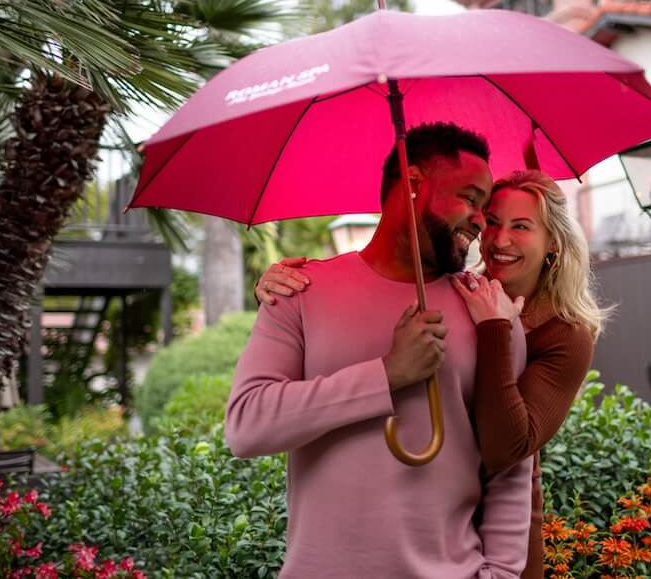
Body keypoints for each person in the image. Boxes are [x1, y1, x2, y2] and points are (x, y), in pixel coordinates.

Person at [257, 169, 608, 579]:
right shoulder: (454, 290)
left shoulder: (566, 335)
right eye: (492, 221)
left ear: (554, 244)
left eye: (521, 226)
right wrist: (286, 291)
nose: (500, 239)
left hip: (498, 541)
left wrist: (496, 331)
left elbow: (506, 446)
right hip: (426, 526)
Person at [226, 122, 533, 578]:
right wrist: (385, 375)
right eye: (470, 198)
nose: (480, 219)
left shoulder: (490, 314)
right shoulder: (300, 290)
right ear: (412, 184)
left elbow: (509, 466)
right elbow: (247, 427)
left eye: (485, 206)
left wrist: (501, 575)